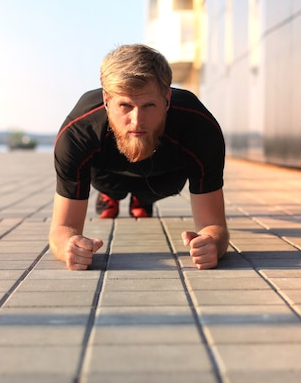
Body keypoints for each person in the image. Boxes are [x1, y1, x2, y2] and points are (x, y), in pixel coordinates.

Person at [49, 44, 229, 270]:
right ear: (106, 99)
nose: (137, 121)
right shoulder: (78, 133)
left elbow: (214, 225)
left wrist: (211, 242)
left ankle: (142, 199)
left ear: (167, 99)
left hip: (163, 177)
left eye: (149, 105)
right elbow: (62, 228)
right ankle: (110, 196)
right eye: (125, 105)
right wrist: (69, 245)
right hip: (107, 174)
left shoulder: (200, 128)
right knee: (108, 186)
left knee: (152, 193)